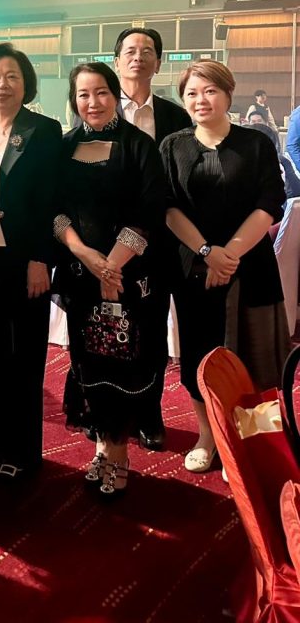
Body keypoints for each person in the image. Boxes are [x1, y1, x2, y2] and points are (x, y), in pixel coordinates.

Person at [160, 60, 290, 473]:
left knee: (255, 356)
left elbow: (270, 203)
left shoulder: (256, 143)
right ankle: (209, 435)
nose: (201, 100)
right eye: (191, 93)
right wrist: (207, 252)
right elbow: (168, 208)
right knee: (201, 353)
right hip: (194, 268)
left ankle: (257, 439)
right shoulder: (173, 146)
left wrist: (228, 254)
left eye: (210, 90)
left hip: (251, 265)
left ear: (228, 94)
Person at [53, 63, 167, 496]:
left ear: (115, 94)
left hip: (130, 278)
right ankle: (102, 445)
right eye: (83, 94)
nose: (92, 102)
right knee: (89, 361)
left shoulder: (138, 146)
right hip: (82, 274)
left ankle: (119, 452)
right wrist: (85, 255)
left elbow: (149, 210)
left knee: (125, 363)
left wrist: (112, 266)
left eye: (101, 92)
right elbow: (56, 211)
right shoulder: (66, 146)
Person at [0, 43, 61, 479]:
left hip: (25, 261)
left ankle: (21, 452)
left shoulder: (44, 130)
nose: (2, 84)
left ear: (26, 84)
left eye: (12, 77)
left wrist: (41, 258)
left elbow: (50, 199)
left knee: (23, 356)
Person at [112, 27, 191, 451]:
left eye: (147, 51)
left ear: (158, 63)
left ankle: (149, 413)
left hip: (157, 243)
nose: (138, 57)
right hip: (107, 246)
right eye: (130, 50)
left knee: (152, 329)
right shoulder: (97, 108)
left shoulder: (176, 117)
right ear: (116, 61)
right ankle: (109, 411)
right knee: (107, 326)